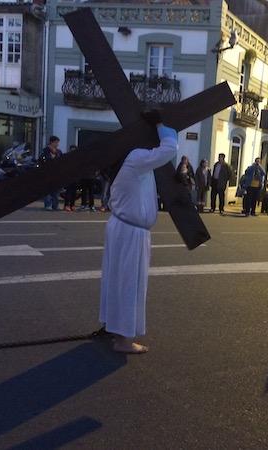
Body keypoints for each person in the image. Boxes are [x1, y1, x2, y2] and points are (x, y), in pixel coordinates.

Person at [100, 122, 178, 353]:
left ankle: (114, 328)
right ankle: (123, 340)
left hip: (122, 228)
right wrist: (165, 129)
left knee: (117, 280)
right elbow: (169, 149)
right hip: (130, 231)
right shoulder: (135, 157)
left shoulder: (127, 159)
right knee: (129, 283)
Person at [39, 136, 62, 211]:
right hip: (47, 172)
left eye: (58, 142)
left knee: (56, 190)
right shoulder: (45, 151)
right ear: (51, 142)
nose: (57, 144)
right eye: (56, 142)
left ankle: (55, 205)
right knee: (48, 190)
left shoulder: (59, 152)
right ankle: (48, 205)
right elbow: (41, 161)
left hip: (57, 173)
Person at [63, 144, 78, 212]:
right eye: (72, 150)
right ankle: (66, 205)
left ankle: (72, 205)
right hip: (68, 176)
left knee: (74, 192)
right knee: (68, 191)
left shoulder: (77, 158)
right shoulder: (67, 157)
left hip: (75, 176)